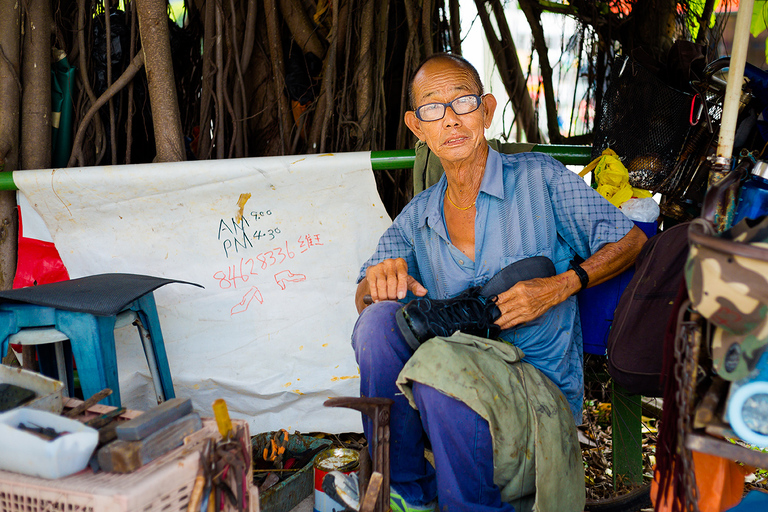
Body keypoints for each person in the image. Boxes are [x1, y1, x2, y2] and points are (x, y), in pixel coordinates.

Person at [350, 53, 647, 512]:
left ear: (486, 111)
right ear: (417, 127)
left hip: (536, 392)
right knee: (377, 323)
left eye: (463, 103)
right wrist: (377, 284)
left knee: (436, 374)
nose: (450, 120)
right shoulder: (419, 217)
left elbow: (629, 241)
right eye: (433, 108)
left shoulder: (539, 178)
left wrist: (563, 284)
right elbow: (363, 295)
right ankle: (407, 493)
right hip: (454, 383)